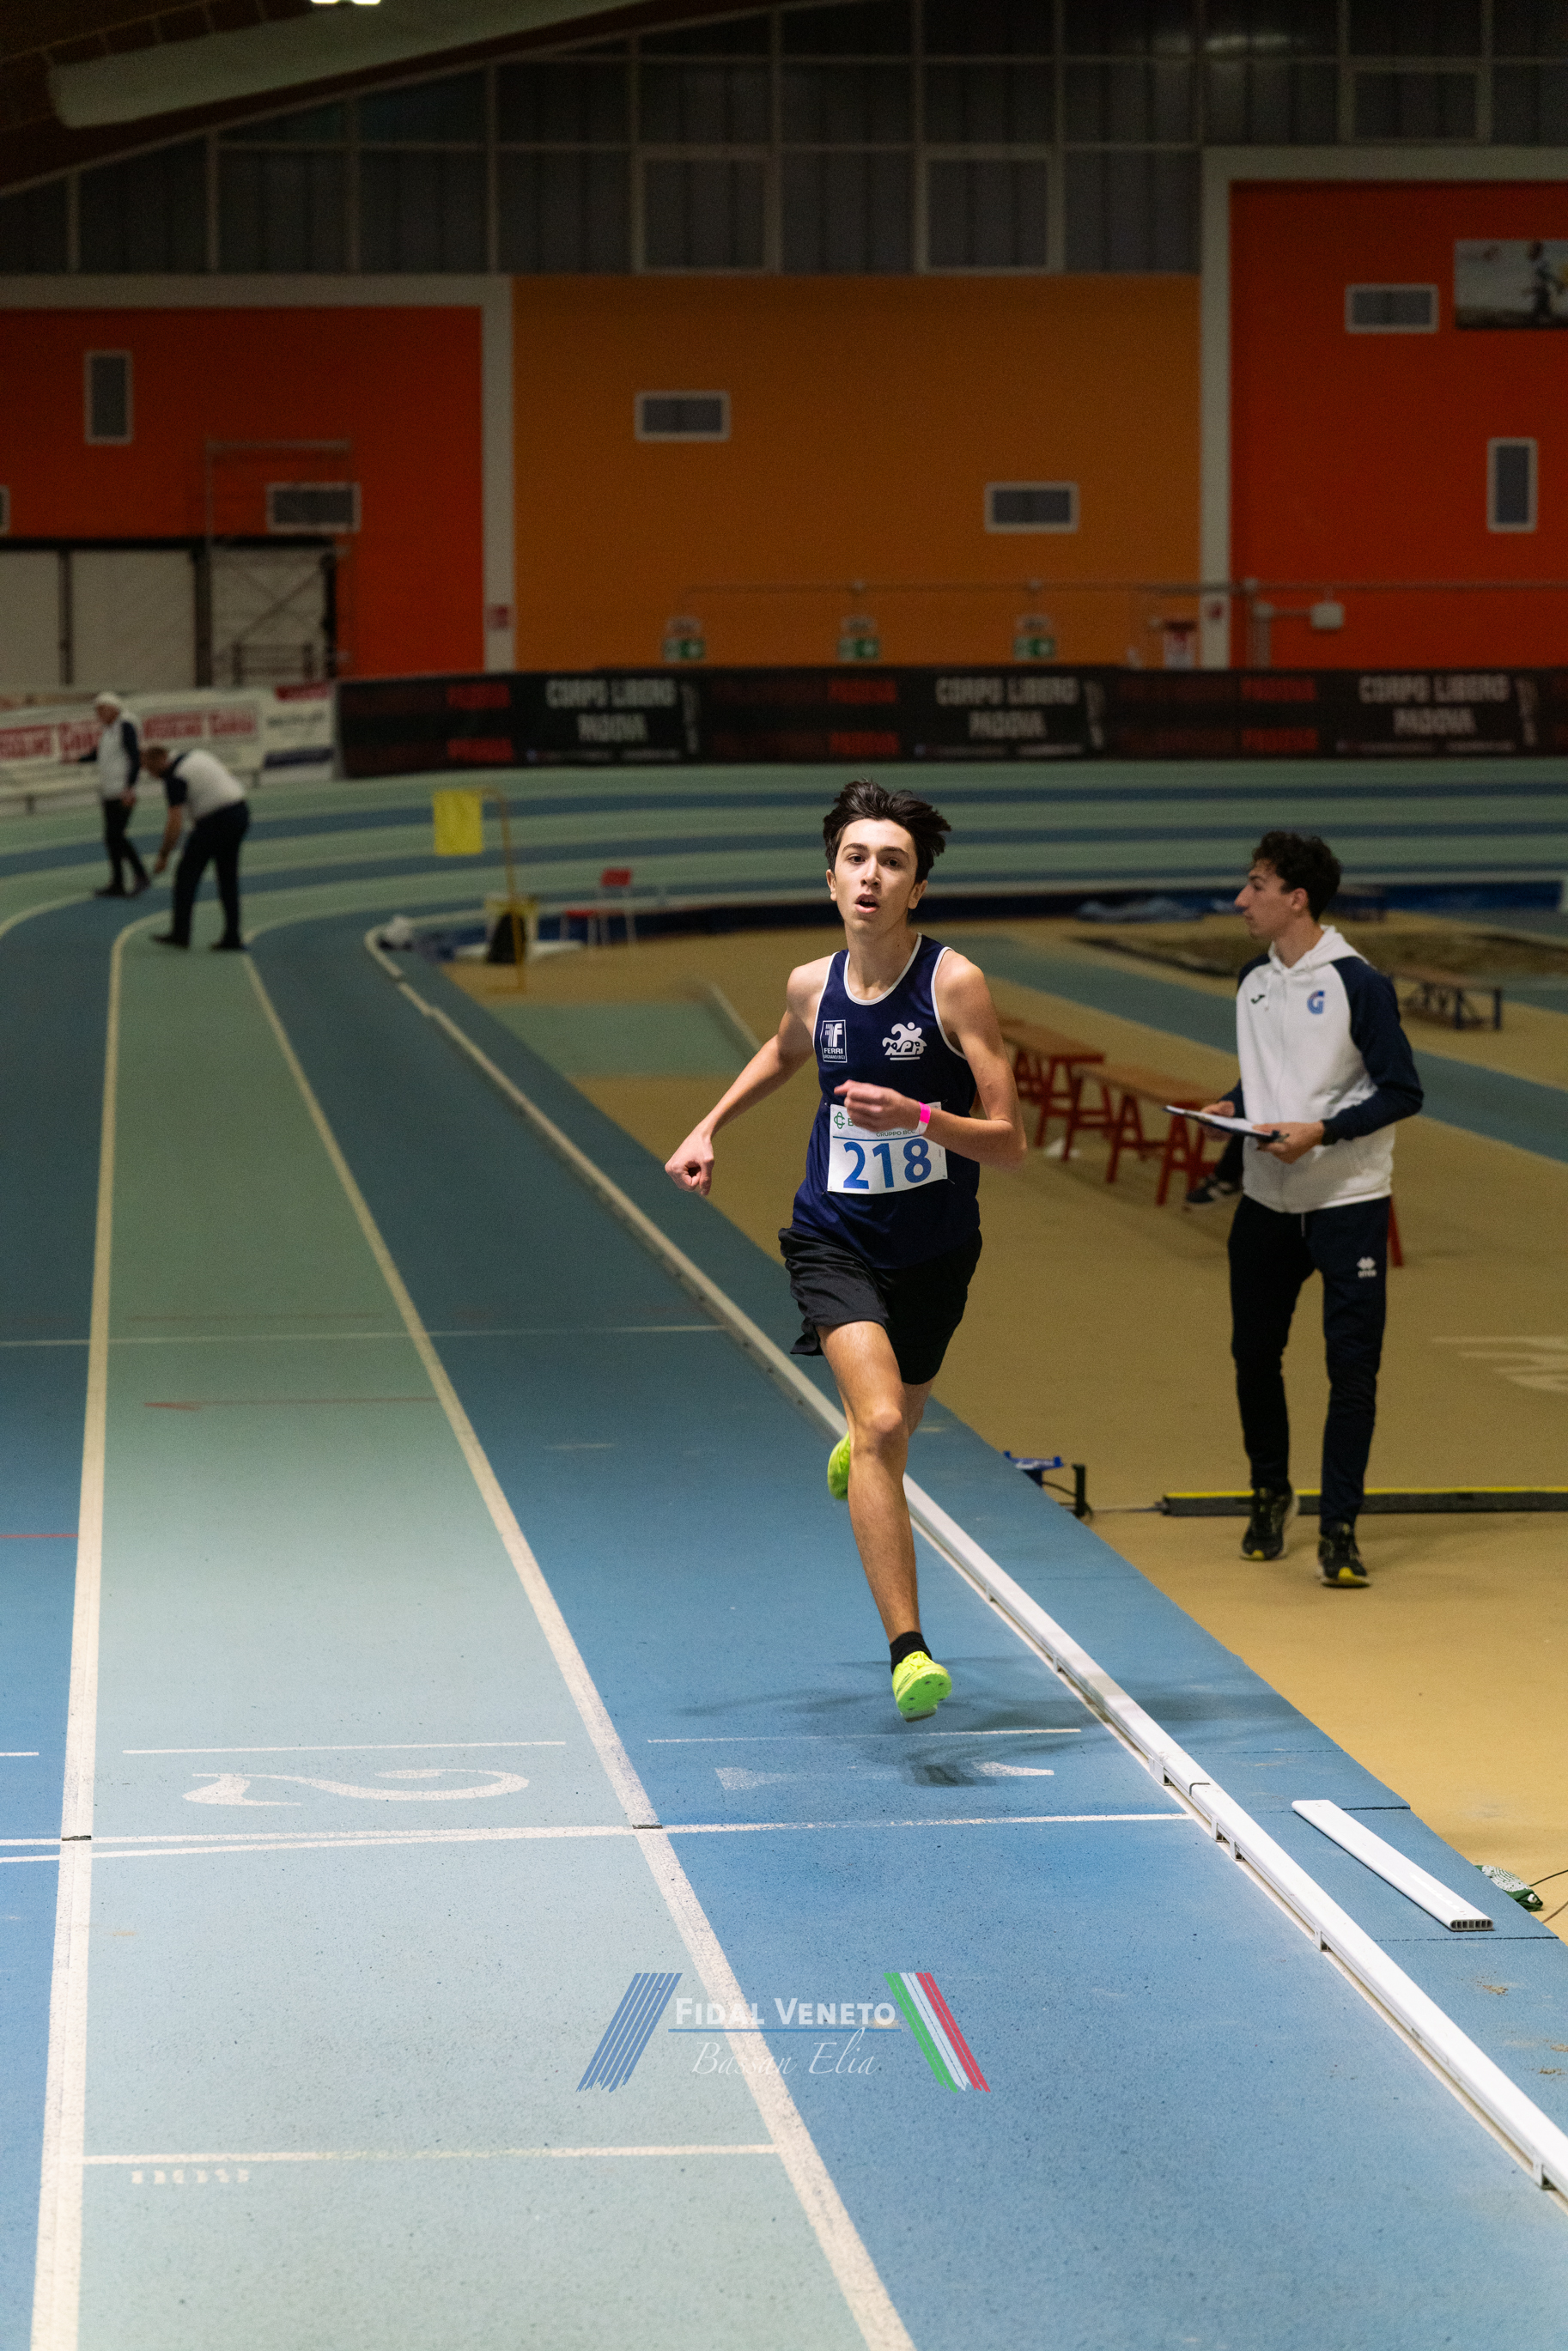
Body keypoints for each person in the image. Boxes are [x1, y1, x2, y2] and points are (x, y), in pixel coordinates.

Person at [665, 780, 1026, 1721]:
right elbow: (786, 1049)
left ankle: (862, 1443)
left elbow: (1008, 1142)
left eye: (892, 862)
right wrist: (708, 1124)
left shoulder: (953, 985)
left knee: (892, 1425)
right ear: (830, 879)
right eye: (855, 859)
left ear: (916, 888)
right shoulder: (809, 985)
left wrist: (916, 1115)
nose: (871, 876)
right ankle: (909, 1652)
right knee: (882, 1427)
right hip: (833, 1236)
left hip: (937, 1247)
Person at [1200, 831, 1422, 1589]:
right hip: (1266, 1202)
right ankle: (1270, 1493)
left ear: (1297, 899)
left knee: (1350, 1370)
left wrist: (1322, 1132)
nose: (1241, 899)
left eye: (1257, 885)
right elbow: (1272, 1073)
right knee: (1254, 1355)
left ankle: (1340, 1525)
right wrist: (1234, 1105)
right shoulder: (1253, 980)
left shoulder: (1360, 984)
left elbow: (1402, 1090)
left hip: (1347, 1204)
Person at [143, 742, 250, 951]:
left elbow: (175, 823)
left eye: (151, 769)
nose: (151, 775)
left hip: (215, 820)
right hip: (239, 811)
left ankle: (180, 933)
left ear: (161, 761)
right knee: (227, 877)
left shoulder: (175, 777)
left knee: (186, 875)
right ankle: (232, 936)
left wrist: (164, 855)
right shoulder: (196, 755)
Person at [82, 691, 149, 899]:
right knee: (111, 838)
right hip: (109, 791)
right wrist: (79, 759)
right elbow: (99, 755)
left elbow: (135, 757)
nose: (98, 714)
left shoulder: (125, 726)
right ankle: (117, 882)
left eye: (101, 710)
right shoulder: (107, 731)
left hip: (122, 791)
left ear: (113, 708)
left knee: (116, 835)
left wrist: (130, 787)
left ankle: (140, 875)